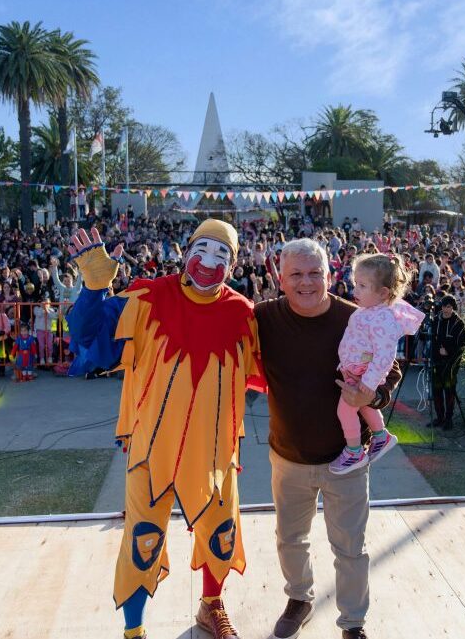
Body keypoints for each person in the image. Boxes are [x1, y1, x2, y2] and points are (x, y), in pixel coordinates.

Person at [67, 219, 262, 639]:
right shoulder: (147, 298)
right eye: (203, 249)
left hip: (215, 452)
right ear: (185, 251)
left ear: (235, 263)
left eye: (222, 254)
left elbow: (279, 371)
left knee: (221, 535)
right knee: (143, 539)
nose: (210, 262)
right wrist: (94, 288)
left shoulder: (243, 313)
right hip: (151, 450)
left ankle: (211, 606)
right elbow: (88, 341)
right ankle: (133, 630)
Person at [255, 238, 401, 639]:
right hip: (288, 456)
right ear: (280, 278)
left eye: (315, 273)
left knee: (351, 548)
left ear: (329, 273)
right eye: (296, 274)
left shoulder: (359, 317)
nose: (307, 282)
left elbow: (391, 367)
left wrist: (373, 395)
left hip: (347, 458)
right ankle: (299, 599)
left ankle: (353, 623)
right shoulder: (262, 318)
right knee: (290, 540)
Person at [332, 254, 423, 474]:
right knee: (363, 405)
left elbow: (385, 354)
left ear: (383, 293)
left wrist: (370, 383)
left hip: (364, 374)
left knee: (345, 411)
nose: (355, 291)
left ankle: (354, 451)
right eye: (356, 284)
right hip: (357, 371)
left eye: (362, 286)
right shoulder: (369, 312)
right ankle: (380, 436)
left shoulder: (383, 317)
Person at [428, 295, 465, 429]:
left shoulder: (458, 323)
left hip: (451, 363)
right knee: (436, 390)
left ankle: (449, 419)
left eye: (449, 306)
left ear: (453, 307)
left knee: (449, 391)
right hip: (437, 362)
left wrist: (448, 351)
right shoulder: (436, 321)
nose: (446, 309)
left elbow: (462, 344)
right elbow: (432, 339)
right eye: (444, 306)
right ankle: (440, 417)